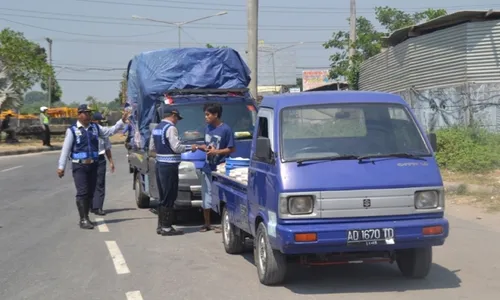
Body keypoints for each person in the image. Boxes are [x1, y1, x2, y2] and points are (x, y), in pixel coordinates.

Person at [57, 104, 129, 229]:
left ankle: (86, 214)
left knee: (91, 192)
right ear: (79, 114)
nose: (88, 115)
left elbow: (110, 131)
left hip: (93, 165)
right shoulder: (73, 130)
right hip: (79, 166)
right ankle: (83, 219)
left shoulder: (95, 128)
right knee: (82, 192)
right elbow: (66, 149)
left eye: (90, 113)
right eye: (86, 113)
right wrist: (61, 166)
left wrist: (121, 121)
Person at [150, 107, 198, 236]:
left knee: (163, 196)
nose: (177, 121)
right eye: (177, 118)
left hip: (160, 164)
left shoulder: (157, 128)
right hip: (170, 165)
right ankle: (166, 227)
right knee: (170, 195)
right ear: (173, 115)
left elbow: (152, 148)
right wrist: (192, 147)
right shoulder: (171, 128)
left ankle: (160, 225)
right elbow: (177, 147)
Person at [197, 103, 236, 232]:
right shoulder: (207, 128)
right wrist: (205, 148)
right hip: (207, 166)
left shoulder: (226, 129)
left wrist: (216, 152)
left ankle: (223, 225)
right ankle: (207, 223)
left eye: (208, 114)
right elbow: (208, 144)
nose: (206, 117)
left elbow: (231, 149)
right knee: (206, 194)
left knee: (221, 196)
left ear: (216, 115)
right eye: (205, 114)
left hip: (221, 169)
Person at [91, 112, 115, 216]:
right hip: (90, 159)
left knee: (100, 183)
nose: (100, 123)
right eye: (99, 121)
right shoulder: (90, 131)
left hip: (100, 159)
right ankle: (91, 205)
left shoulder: (103, 133)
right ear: (95, 121)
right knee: (90, 183)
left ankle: (98, 207)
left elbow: (107, 148)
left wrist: (111, 161)